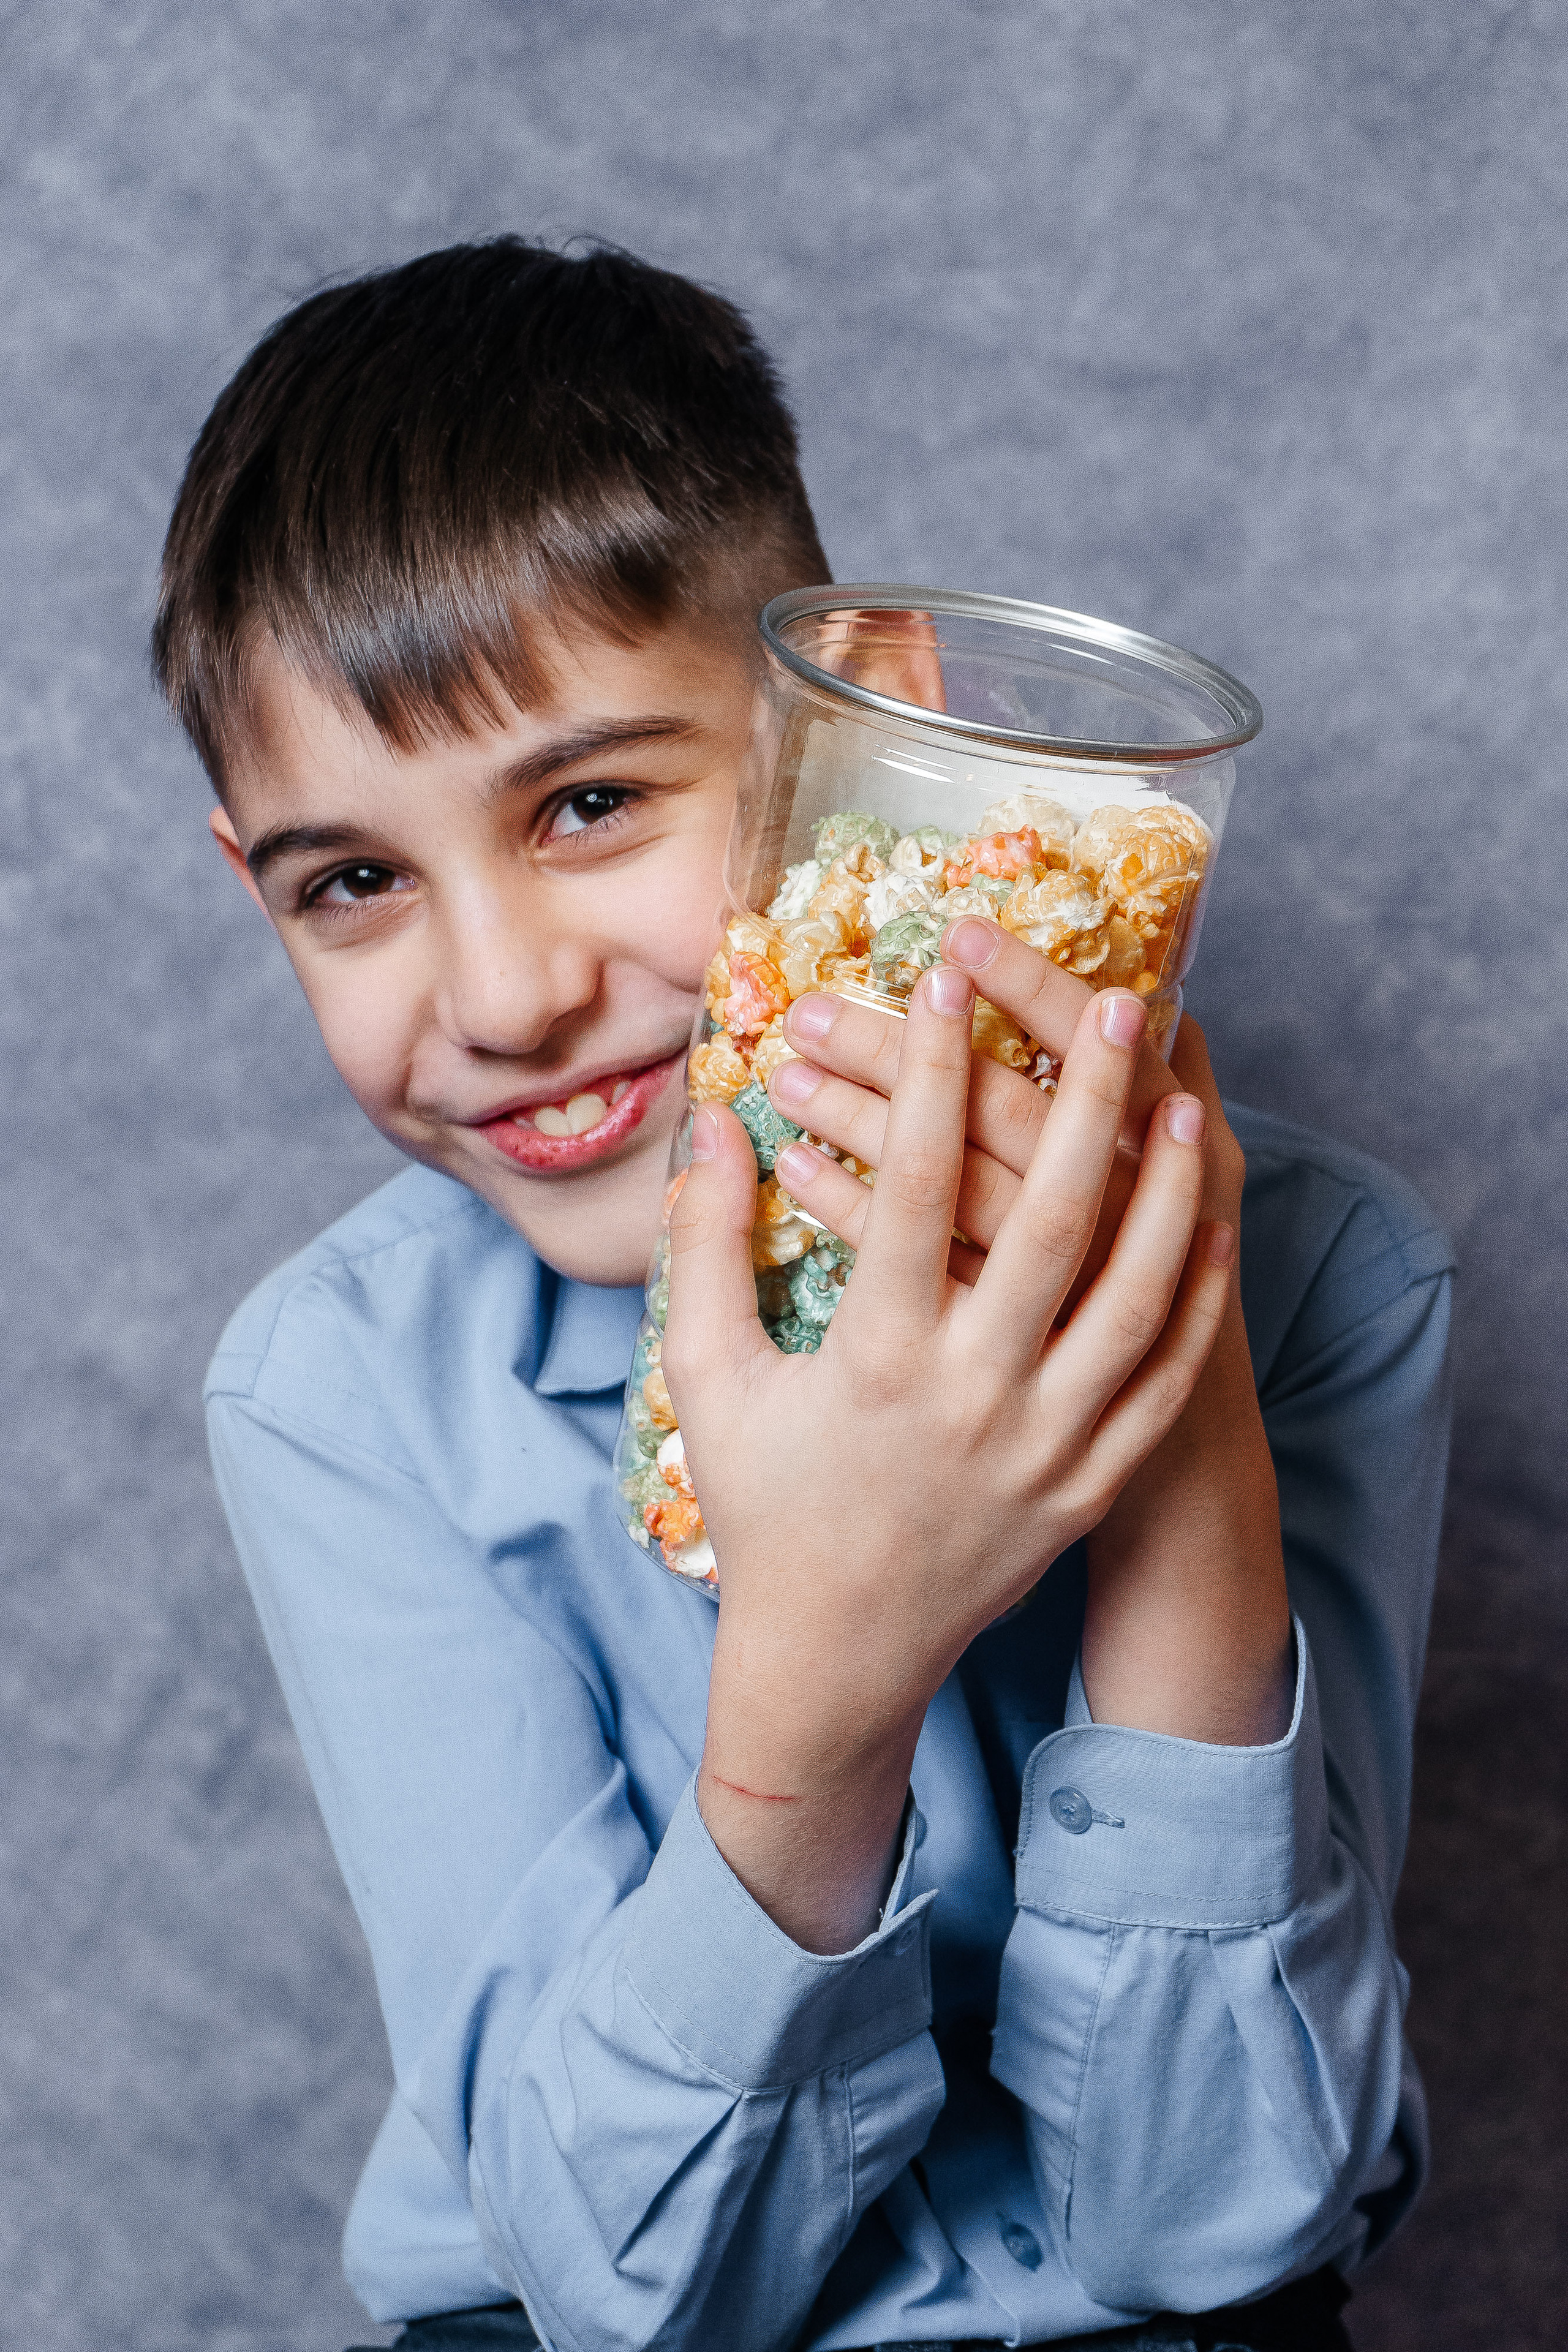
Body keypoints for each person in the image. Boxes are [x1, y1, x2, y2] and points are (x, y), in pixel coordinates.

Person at [151, 238, 1454, 2352]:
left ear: (880, 727)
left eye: (589, 803)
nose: (501, 997)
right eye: (356, 882)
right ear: (256, 886)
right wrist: (831, 1657)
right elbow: (617, 2298)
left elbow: (1223, 2229)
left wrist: (1173, 1397)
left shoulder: (1330, 1279)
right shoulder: (347, 1393)